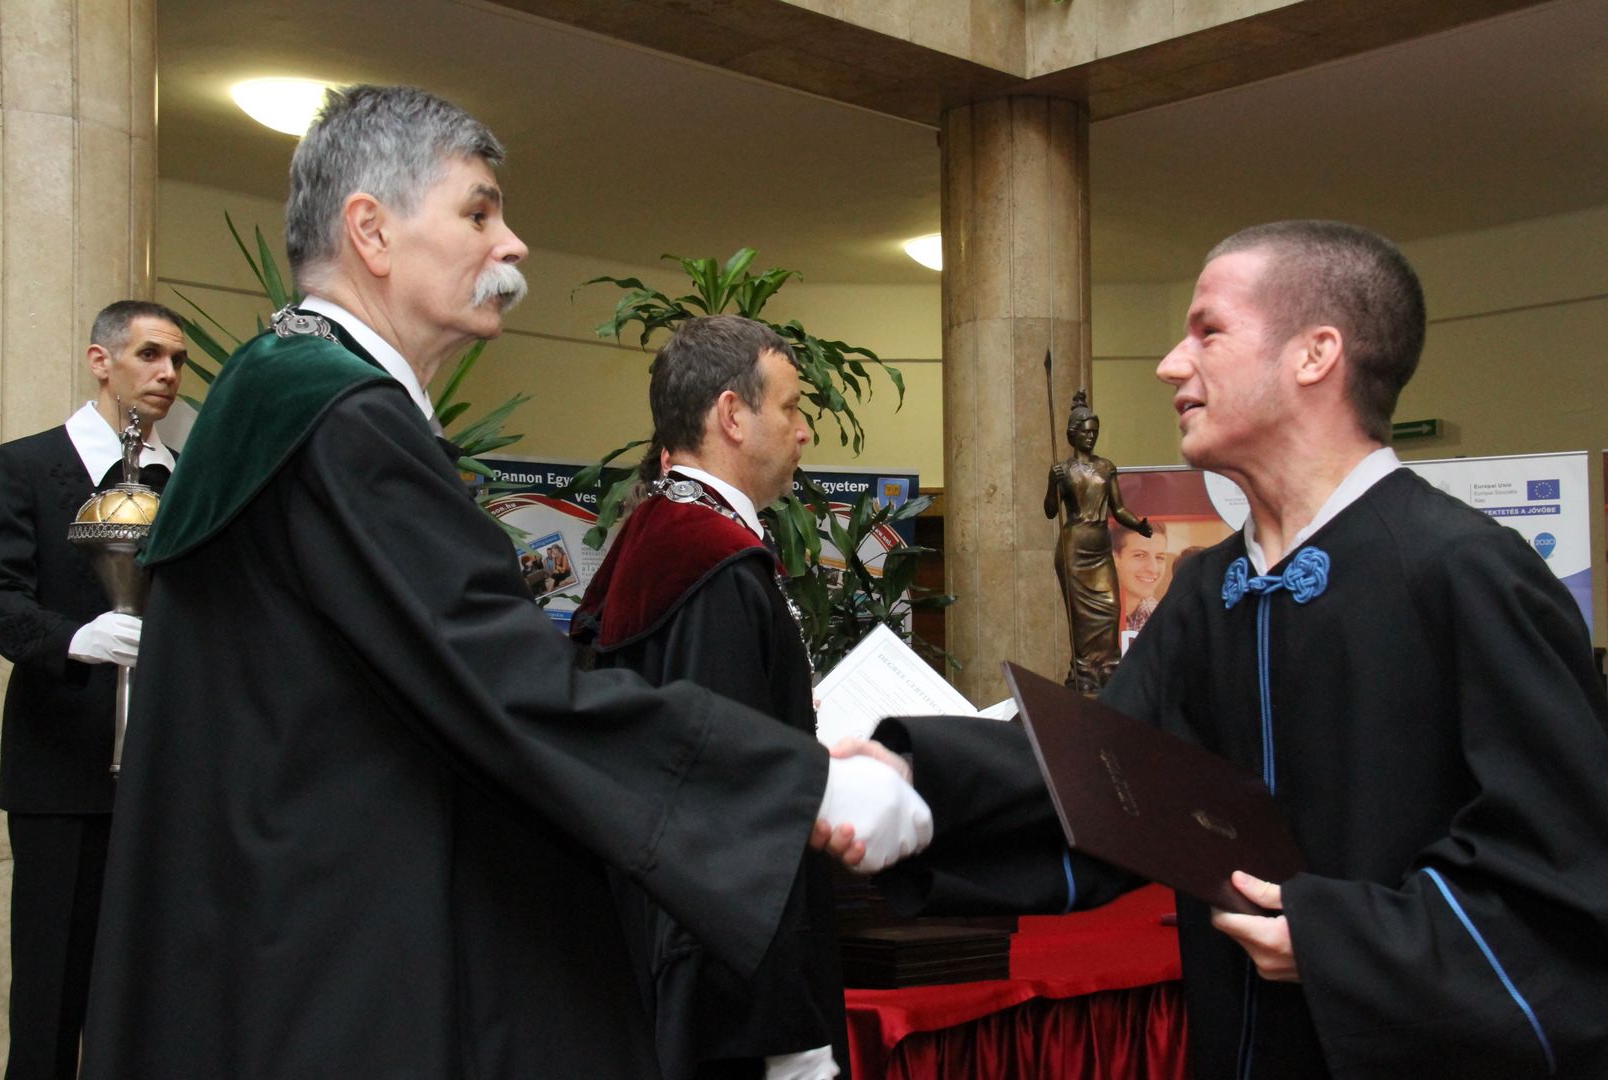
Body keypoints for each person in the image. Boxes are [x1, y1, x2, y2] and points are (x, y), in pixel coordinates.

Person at [78, 85, 931, 1080]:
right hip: (345, 966)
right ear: (372, 232)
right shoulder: (342, 419)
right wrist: (802, 785)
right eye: (479, 213)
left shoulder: (277, 389)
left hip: (275, 936)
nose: (513, 244)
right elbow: (505, 681)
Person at [850, 221, 1608, 1078]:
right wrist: (910, 775)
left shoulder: (1466, 571)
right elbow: (1109, 779)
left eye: (1207, 330)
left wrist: (1338, 939)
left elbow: (1562, 877)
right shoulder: (1210, 589)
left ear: (1315, 354)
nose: (1171, 364)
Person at [572, 315, 845, 1080]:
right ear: (732, 415)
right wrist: (786, 1037)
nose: (803, 432)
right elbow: (729, 811)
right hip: (729, 1006)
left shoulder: (655, 534)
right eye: (790, 408)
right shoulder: (713, 565)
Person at [0, 300, 186, 1080]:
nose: (167, 373)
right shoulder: (23, 466)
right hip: (61, 770)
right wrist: (75, 639)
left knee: (153, 998)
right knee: (50, 996)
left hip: (170, 776)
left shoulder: (193, 481)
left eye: (178, 359)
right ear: (101, 361)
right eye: (149, 354)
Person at [1043, 391, 1151, 690]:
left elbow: (1119, 509)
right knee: (1080, 619)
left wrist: (1139, 525)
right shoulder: (1063, 470)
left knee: (1110, 608)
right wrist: (1052, 484)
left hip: (1100, 549)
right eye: (1085, 432)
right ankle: (1085, 672)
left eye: (1094, 432)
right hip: (1075, 548)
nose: (1090, 437)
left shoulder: (1106, 467)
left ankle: (1108, 667)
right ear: (1072, 435)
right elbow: (1051, 511)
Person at [1112, 520, 1168, 633]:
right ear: (1115, 559)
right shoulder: (1092, 615)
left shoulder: (1158, 615)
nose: (1153, 569)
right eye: (1140, 555)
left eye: (1159, 557)